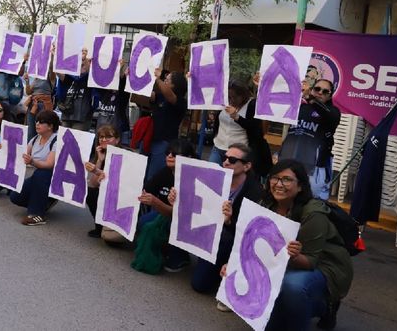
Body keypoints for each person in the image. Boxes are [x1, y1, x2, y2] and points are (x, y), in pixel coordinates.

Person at [221, 159, 353, 330]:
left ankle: (324, 307)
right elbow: (249, 244)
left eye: (287, 179)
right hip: (286, 260)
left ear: (300, 186)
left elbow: (310, 261)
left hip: (324, 264)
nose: (279, 184)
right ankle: (297, 308)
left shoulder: (313, 213)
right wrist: (233, 265)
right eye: (274, 178)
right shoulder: (265, 204)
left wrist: (295, 256)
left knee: (292, 285)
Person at [185, 143, 263, 309]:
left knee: (199, 285)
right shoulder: (215, 178)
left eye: (232, 159)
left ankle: (232, 280)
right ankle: (181, 258)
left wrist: (230, 221)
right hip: (210, 231)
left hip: (231, 240)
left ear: (247, 166)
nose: (226, 162)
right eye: (224, 158)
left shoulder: (255, 193)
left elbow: (251, 235)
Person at [132, 139, 195, 274]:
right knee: (144, 221)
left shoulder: (191, 178)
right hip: (163, 213)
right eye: (168, 153)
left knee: (156, 224)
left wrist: (155, 202)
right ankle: (162, 249)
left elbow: (179, 214)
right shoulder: (165, 171)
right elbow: (146, 189)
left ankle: (180, 255)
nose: (169, 156)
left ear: (188, 157)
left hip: (185, 220)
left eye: (175, 154)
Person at [279, 78, 341, 199]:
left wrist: (310, 98)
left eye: (325, 91)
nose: (320, 93)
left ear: (330, 96)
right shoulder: (299, 108)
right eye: (317, 89)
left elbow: (328, 114)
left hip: (313, 169)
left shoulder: (333, 112)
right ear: (312, 90)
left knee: (308, 204)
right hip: (289, 164)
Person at [208, 79, 272, 178]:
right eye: (228, 97)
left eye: (233, 97)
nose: (230, 100)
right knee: (211, 175)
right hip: (218, 146)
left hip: (238, 151)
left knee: (232, 179)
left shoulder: (251, 105)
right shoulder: (224, 103)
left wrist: (237, 117)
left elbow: (255, 129)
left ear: (242, 96)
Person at [9, 109, 59, 226]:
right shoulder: (35, 138)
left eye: (41, 122)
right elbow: (22, 154)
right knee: (15, 196)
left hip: (51, 177)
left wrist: (32, 161)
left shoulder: (56, 140)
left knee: (41, 173)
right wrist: (4, 148)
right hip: (38, 177)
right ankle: (45, 201)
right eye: (37, 121)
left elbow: (49, 164)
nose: (37, 124)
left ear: (50, 126)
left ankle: (37, 214)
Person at [145, 69, 188, 182]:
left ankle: (148, 197)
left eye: (167, 80)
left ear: (175, 85)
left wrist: (158, 79)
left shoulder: (180, 101)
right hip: (149, 140)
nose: (165, 81)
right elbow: (147, 95)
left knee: (152, 176)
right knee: (142, 172)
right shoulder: (160, 96)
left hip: (164, 143)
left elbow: (170, 96)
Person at [84, 124, 122, 238]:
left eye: (108, 137)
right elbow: (93, 184)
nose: (104, 140)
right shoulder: (102, 153)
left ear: (117, 140)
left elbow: (118, 181)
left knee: (111, 239)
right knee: (90, 192)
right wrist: (100, 161)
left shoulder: (125, 155)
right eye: (101, 137)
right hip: (105, 191)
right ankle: (99, 226)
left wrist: (99, 172)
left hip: (119, 195)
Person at [55, 48, 93, 131]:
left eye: (83, 64)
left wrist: (85, 60)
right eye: (79, 64)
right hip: (66, 116)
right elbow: (58, 71)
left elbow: (90, 72)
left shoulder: (89, 78)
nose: (81, 66)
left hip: (81, 118)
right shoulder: (70, 78)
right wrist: (55, 56)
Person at [23, 68, 55, 141]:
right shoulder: (36, 79)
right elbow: (28, 92)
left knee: (43, 131)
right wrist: (27, 81)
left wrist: (52, 57)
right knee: (30, 130)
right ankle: (29, 150)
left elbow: (52, 68)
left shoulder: (50, 77)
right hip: (33, 105)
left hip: (43, 105)